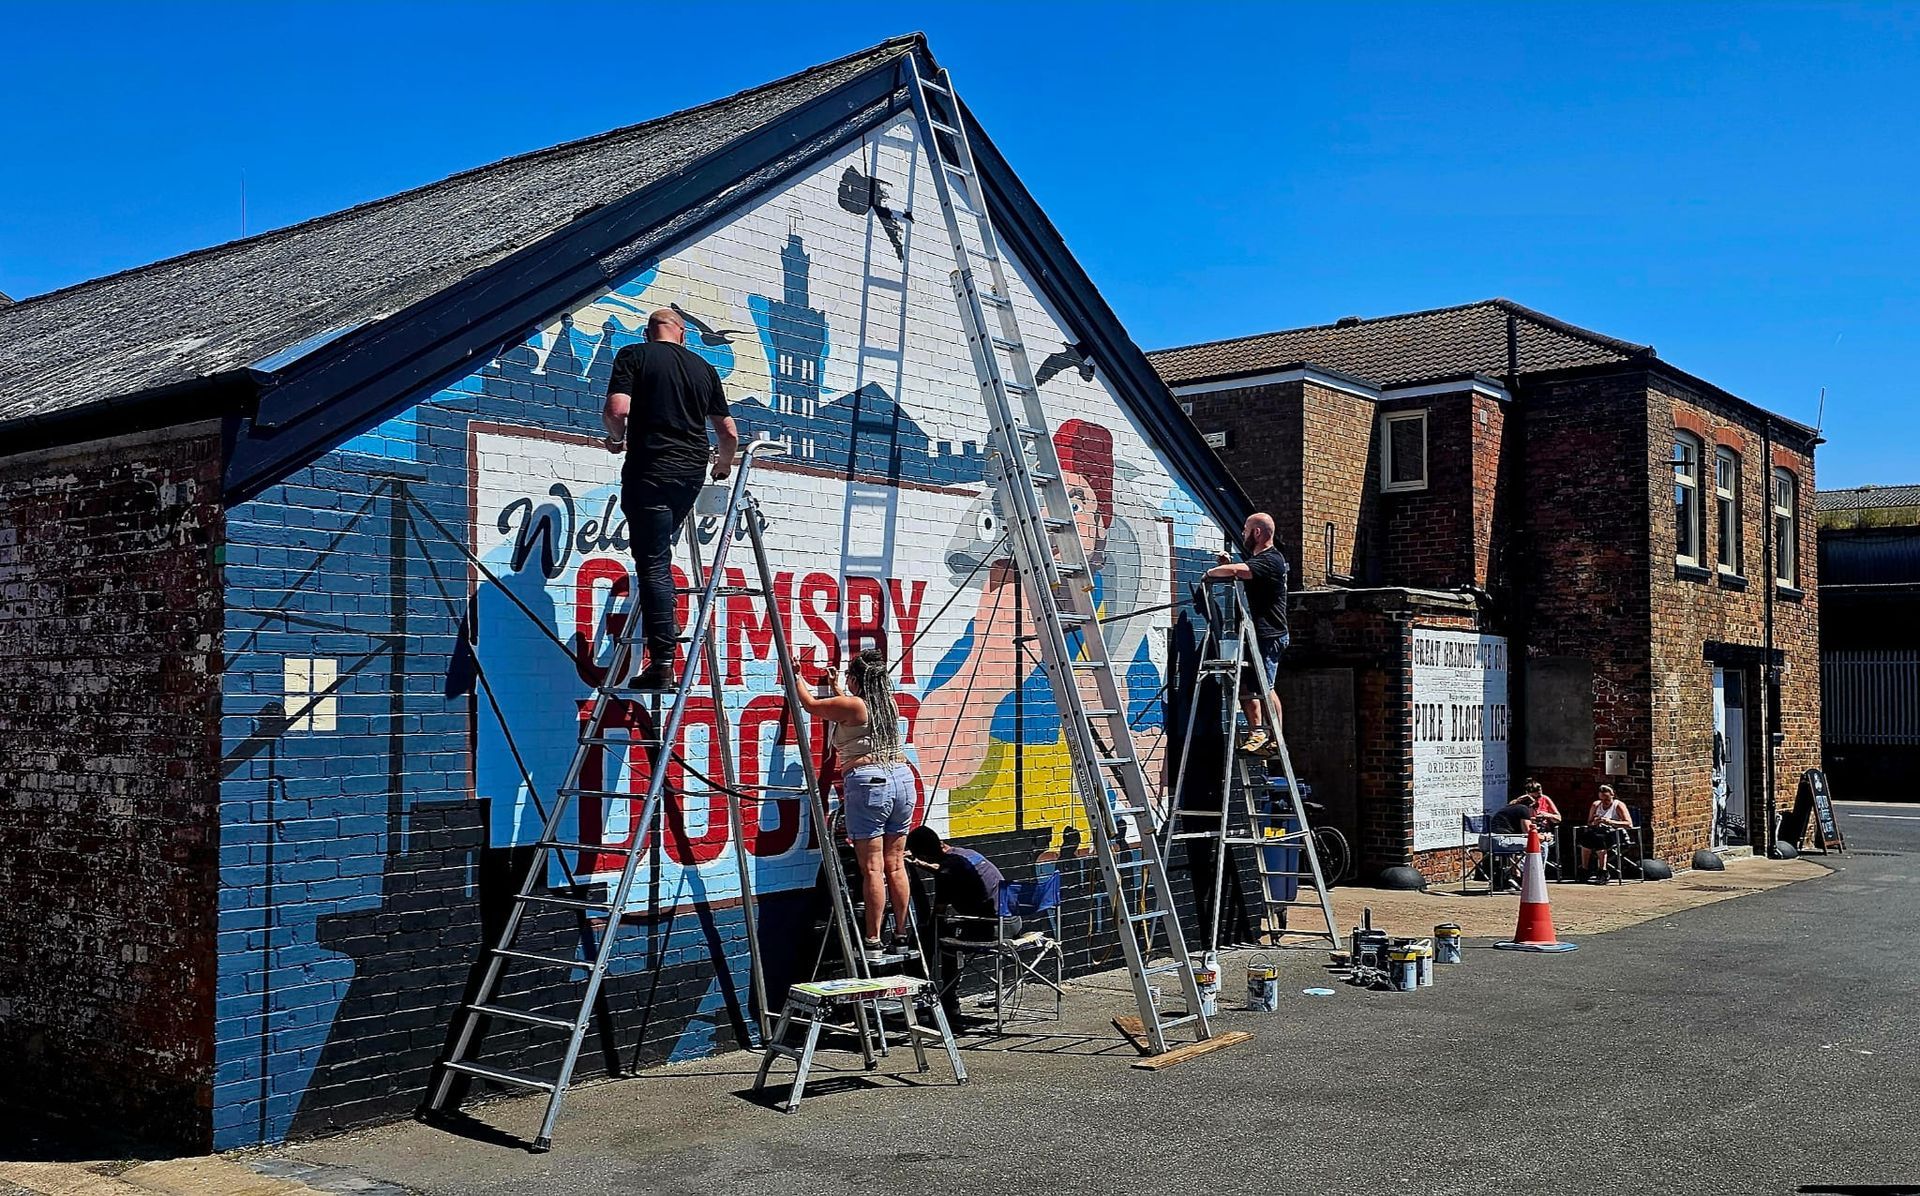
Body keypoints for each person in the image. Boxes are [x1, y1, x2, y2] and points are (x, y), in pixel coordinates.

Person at [603, 308, 739, 691]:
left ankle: (663, 661)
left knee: (653, 563)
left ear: (649, 334)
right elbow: (727, 433)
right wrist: (723, 469)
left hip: (651, 467)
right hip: (691, 471)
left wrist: (616, 439)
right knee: (660, 554)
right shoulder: (703, 368)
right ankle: (668, 622)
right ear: (682, 334)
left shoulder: (634, 355)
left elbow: (617, 410)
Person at [783, 646, 916, 963]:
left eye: (849, 677)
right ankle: (900, 934)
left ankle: (872, 939)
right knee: (895, 865)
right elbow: (853, 714)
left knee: (871, 869)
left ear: (857, 679)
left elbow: (811, 705)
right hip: (902, 778)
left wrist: (796, 673)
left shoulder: (855, 704)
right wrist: (836, 687)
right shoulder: (887, 704)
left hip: (870, 782)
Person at [1201, 512, 1290, 755]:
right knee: (1246, 687)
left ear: (1257, 533)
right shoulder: (1261, 563)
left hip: (1269, 635)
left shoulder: (1271, 560)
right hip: (1256, 635)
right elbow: (1244, 571)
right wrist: (1226, 566)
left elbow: (1243, 571)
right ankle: (1258, 732)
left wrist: (1211, 573)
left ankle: (1273, 737)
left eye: (1245, 530)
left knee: (1264, 686)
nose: (1243, 534)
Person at [906, 825, 1006, 1020]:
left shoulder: (947, 874)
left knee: (934, 937)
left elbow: (938, 914)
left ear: (926, 854)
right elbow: (951, 869)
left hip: (991, 929)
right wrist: (922, 864)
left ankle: (943, 999)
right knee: (944, 932)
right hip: (1011, 923)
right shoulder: (965, 854)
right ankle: (948, 1001)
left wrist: (924, 929)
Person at [1580, 784, 1635, 883]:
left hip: (1615, 834)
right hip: (1598, 832)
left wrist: (1611, 822)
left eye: (1607, 800)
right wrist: (1595, 822)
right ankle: (1585, 869)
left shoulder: (1618, 805)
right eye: (1602, 800)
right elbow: (1589, 823)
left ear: (1612, 795)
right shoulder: (1596, 805)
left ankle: (1603, 870)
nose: (1604, 803)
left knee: (1600, 840)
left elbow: (1629, 824)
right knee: (1586, 838)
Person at [1486, 792, 1538, 891]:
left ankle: (1512, 875)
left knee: (1522, 845)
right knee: (1538, 845)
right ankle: (1532, 877)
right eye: (1534, 809)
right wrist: (1544, 837)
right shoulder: (1524, 809)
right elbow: (1529, 833)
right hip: (1501, 841)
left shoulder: (1508, 808)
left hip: (1487, 840)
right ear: (1530, 806)